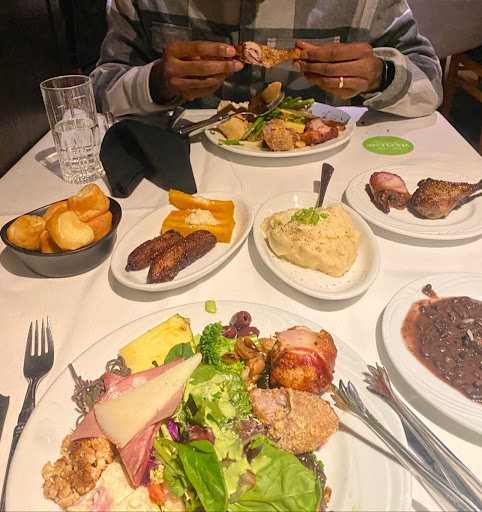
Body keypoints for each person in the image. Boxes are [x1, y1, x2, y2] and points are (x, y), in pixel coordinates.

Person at [91, 0, 443, 119]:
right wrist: (157, 82)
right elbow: (95, 94)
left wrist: (380, 74)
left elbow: (429, 80)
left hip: (325, 182)